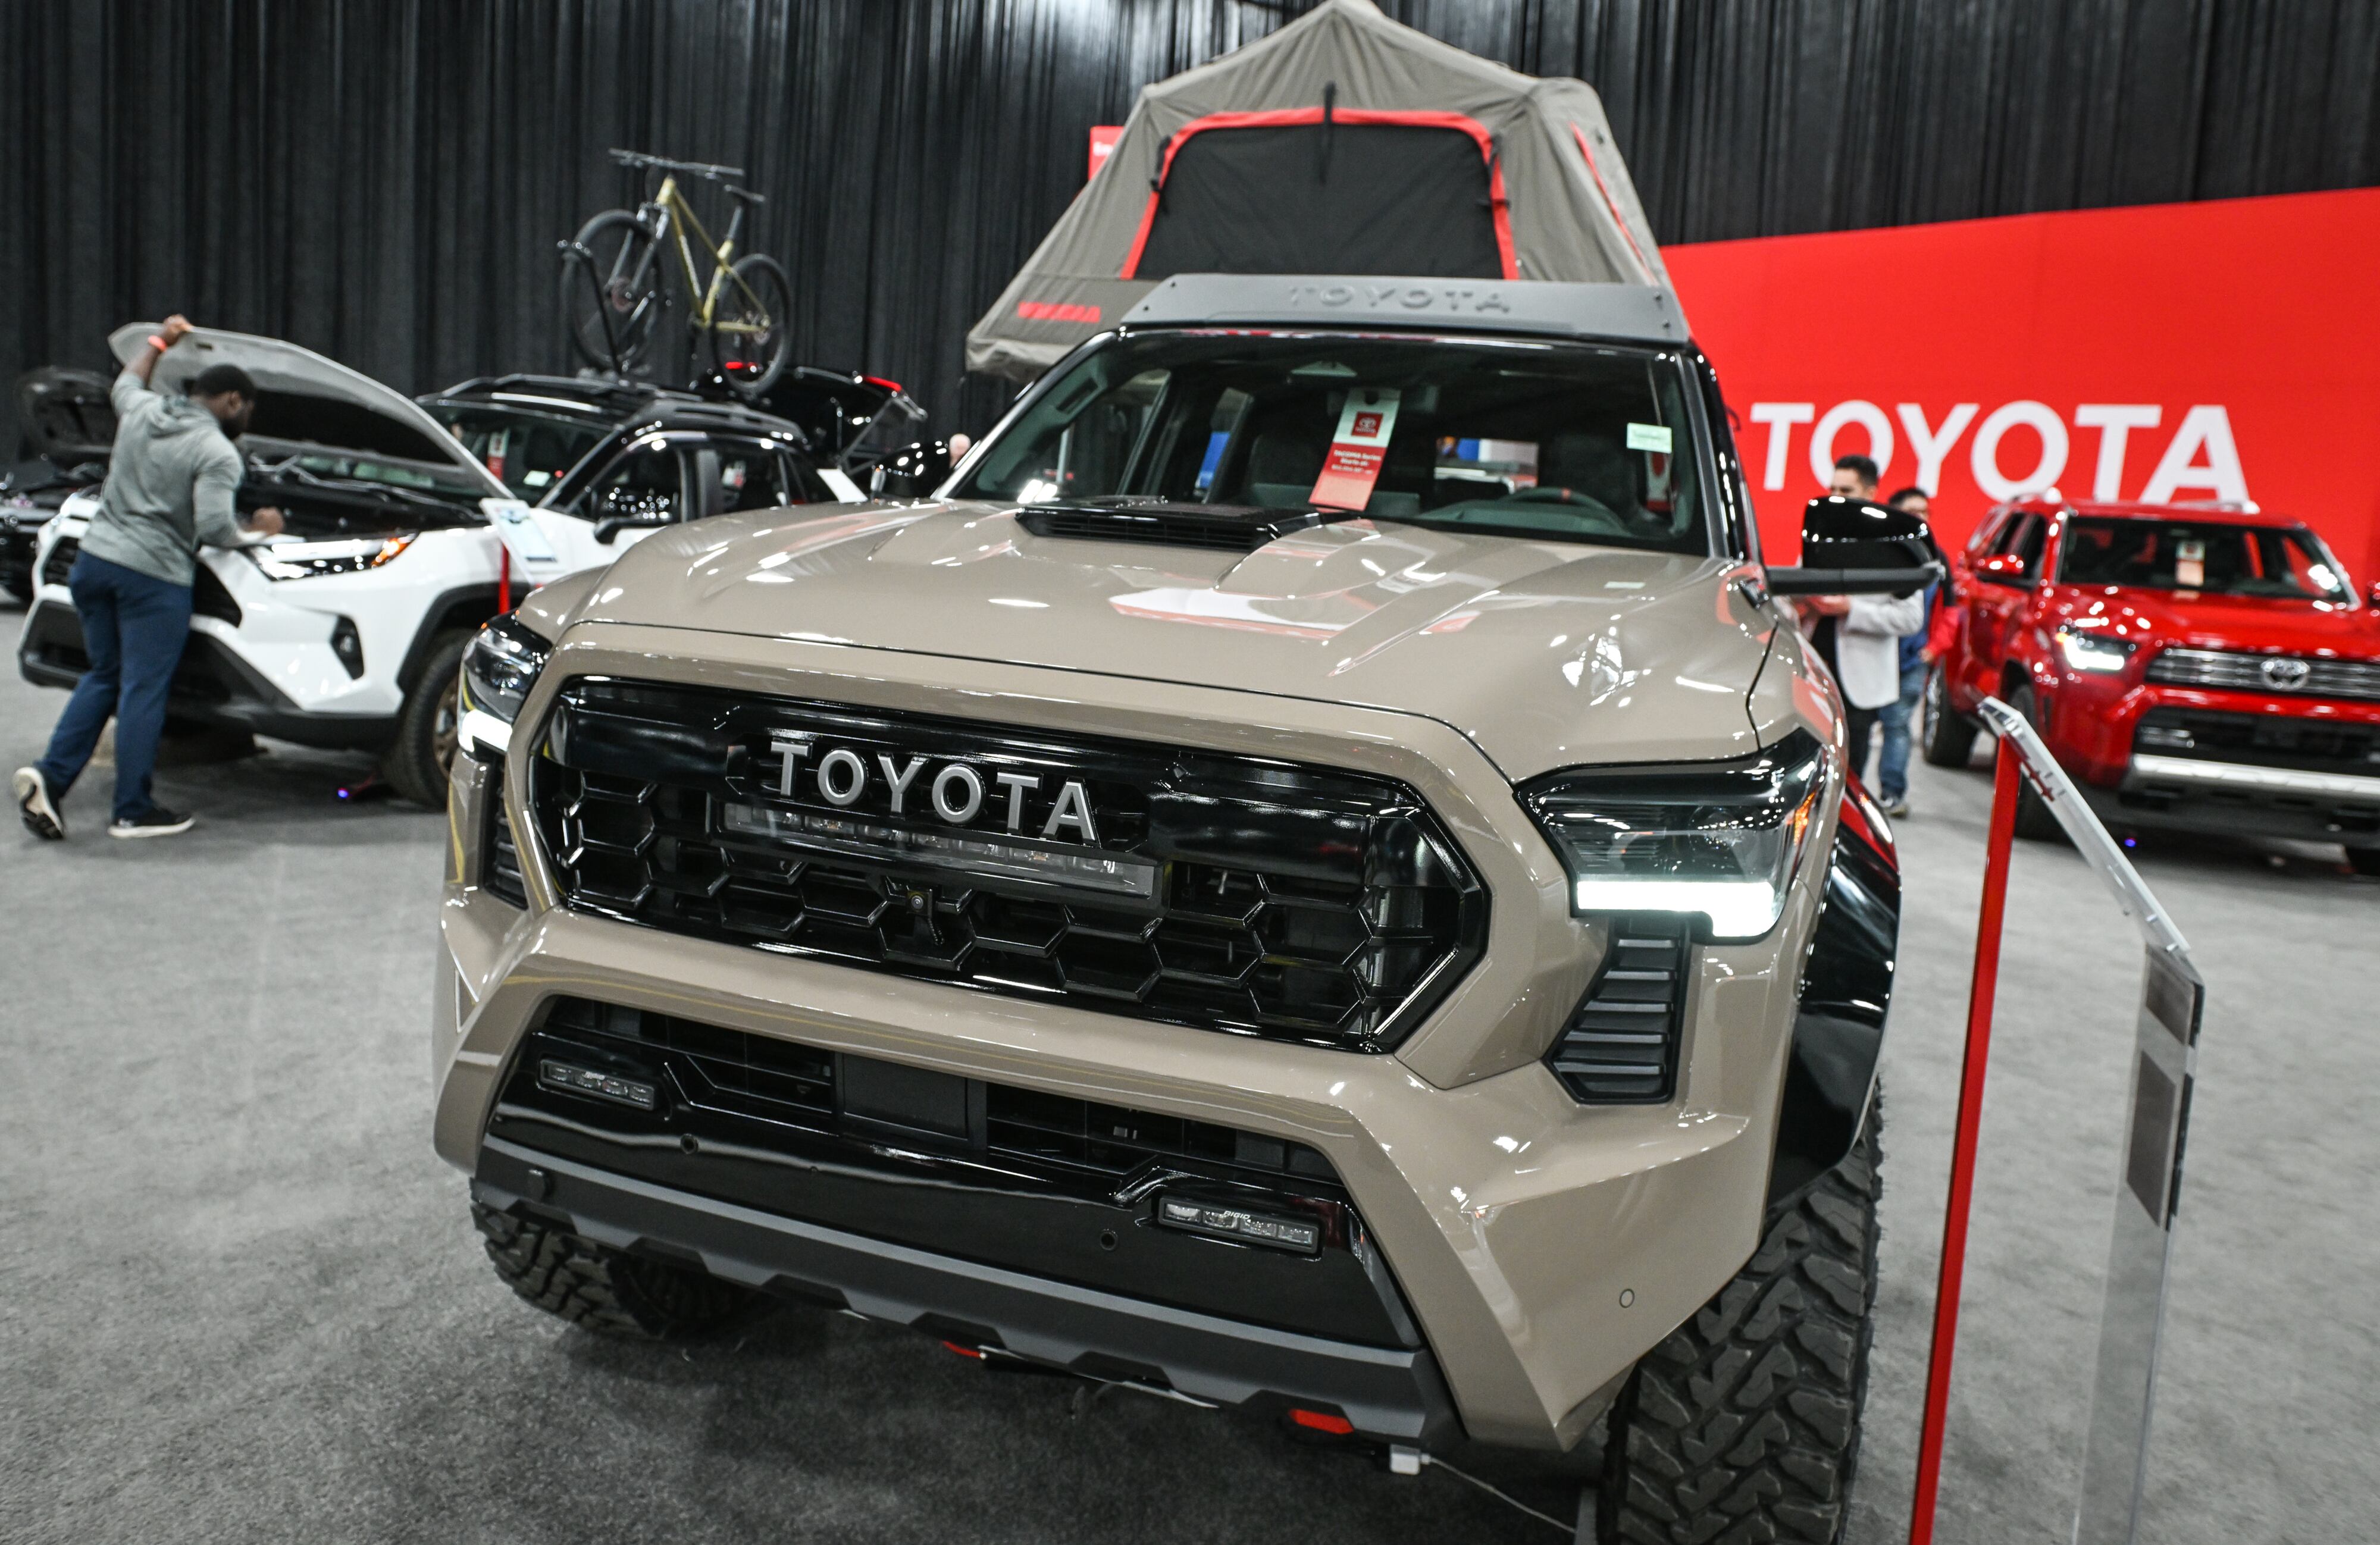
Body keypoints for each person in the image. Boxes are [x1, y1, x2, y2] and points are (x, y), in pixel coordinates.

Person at [14, 316, 283, 841]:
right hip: (153, 577)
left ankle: (50, 775)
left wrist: (160, 340)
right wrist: (258, 528)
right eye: (246, 409)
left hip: (94, 563)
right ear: (232, 400)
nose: (246, 419)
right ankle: (132, 809)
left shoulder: (142, 411)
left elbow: (125, 382)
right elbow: (212, 527)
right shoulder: (218, 453)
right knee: (143, 688)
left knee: (105, 676)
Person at [1800, 455, 1924, 792]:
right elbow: (1792, 592)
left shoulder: (1895, 545)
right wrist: (1797, 603)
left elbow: (1911, 618)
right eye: (1832, 488)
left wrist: (1849, 609)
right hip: (1811, 673)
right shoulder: (1818, 536)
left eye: (1846, 489)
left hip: (1860, 683)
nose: (1835, 496)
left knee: (1849, 778)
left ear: (1870, 494)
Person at [1872, 486, 1939, 817]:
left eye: (1926, 511)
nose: (1922, 517)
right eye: (1914, 511)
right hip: (1870, 659)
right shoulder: (1874, 552)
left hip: (1912, 662)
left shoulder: (1936, 561)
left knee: (1897, 727)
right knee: (1855, 728)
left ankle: (1892, 795)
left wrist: (1936, 647)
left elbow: (1952, 610)